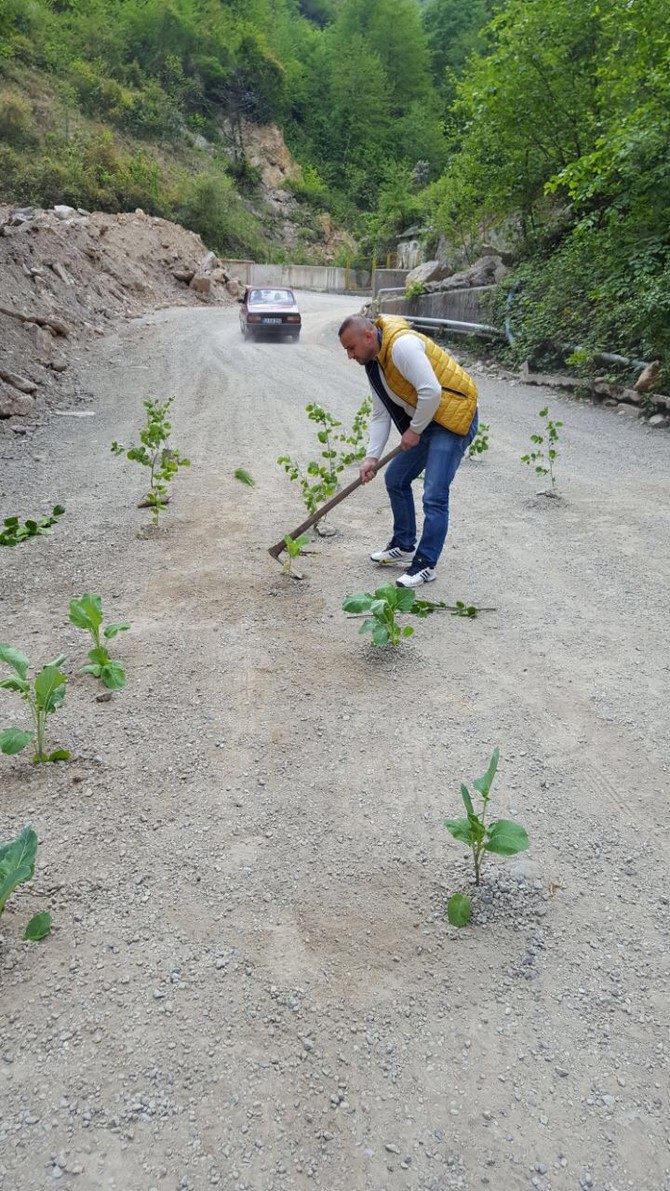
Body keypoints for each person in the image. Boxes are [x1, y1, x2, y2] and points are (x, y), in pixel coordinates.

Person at [338, 314, 479, 588]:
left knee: (435, 495)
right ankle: (403, 544)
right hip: (427, 419)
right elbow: (380, 415)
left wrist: (414, 431)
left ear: (368, 337)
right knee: (396, 479)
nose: (349, 355)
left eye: (351, 348)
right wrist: (371, 457)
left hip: (454, 417)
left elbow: (431, 391)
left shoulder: (402, 346)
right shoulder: (374, 364)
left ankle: (426, 564)